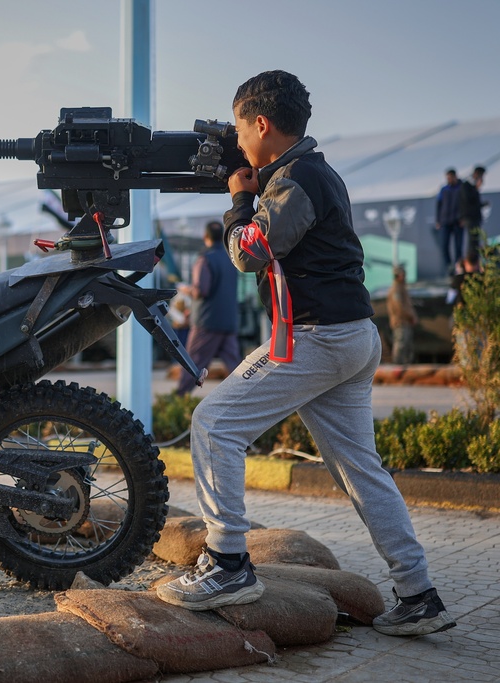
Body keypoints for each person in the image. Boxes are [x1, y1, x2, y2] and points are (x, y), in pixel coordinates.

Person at [154, 70, 455, 637]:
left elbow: (251, 253)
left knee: (214, 423)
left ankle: (228, 565)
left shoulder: (295, 180)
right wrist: (248, 187)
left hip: (317, 338)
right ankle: (418, 594)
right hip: (352, 337)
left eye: (241, 130)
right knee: (363, 472)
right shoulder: (313, 173)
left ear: (262, 124)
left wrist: (239, 201)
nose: (237, 142)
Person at [175, 221, 241, 395]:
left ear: (205, 237)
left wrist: (184, 289)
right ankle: (251, 401)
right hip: (229, 321)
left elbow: (200, 291)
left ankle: (176, 403)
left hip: (207, 322)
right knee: (237, 369)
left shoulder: (204, 259)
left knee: (192, 363)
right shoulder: (231, 259)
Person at [386, 266, 418, 365]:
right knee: (400, 345)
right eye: (403, 275)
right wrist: (410, 316)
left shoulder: (401, 288)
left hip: (405, 322)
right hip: (400, 322)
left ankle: (404, 366)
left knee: (406, 346)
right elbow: (399, 307)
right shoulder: (396, 289)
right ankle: (397, 367)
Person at [435, 168, 462, 273]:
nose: (449, 179)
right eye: (448, 177)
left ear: (455, 176)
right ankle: (449, 265)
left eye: (451, 177)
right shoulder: (444, 189)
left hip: (457, 222)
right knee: (444, 245)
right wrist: (438, 220)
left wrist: (461, 218)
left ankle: (458, 266)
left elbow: (464, 204)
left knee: (458, 246)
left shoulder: (461, 188)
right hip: (445, 221)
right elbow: (439, 205)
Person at [458, 166, 488, 256]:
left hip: (475, 218)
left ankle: (473, 262)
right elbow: (468, 201)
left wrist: (482, 204)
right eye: (481, 176)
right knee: (472, 241)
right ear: (476, 174)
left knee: (475, 241)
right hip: (469, 218)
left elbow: (475, 203)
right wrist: (476, 188)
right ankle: (470, 262)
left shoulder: (473, 187)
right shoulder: (466, 186)